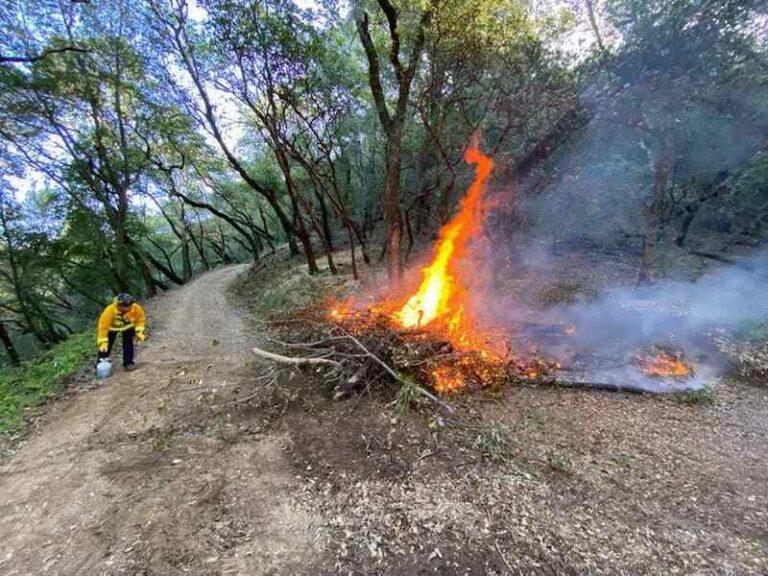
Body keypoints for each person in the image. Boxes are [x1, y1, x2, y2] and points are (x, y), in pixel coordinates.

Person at [96, 292, 146, 371]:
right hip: (111, 328)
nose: (128, 307)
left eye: (130, 305)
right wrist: (102, 342)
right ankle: (100, 364)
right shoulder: (109, 310)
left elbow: (140, 320)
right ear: (119, 305)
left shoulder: (136, 308)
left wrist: (139, 332)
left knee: (128, 343)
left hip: (128, 327)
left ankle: (128, 363)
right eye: (126, 306)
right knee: (106, 346)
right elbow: (103, 327)